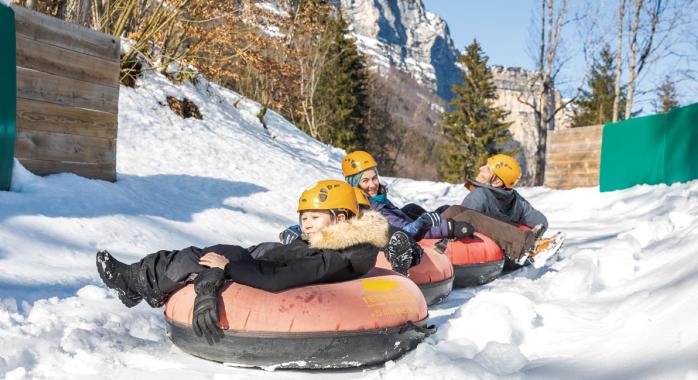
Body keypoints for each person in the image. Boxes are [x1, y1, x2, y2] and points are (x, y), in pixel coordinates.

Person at [96, 180, 416, 345]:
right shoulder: (338, 243)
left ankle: (136, 280)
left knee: (203, 256)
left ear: (342, 218)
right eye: (303, 219)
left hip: (263, 271)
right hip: (265, 258)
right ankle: (142, 286)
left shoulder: (332, 256)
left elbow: (279, 279)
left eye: (314, 218)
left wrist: (228, 267)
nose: (305, 225)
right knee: (219, 252)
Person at [279, 186, 423, 275]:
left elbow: (393, 233)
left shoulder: (373, 228)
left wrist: (402, 253)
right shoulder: (320, 228)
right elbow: (307, 230)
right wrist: (291, 234)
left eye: (362, 211)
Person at [439, 154, 552, 265]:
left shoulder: (479, 195)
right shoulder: (516, 200)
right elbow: (541, 222)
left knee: (467, 216)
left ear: (497, 182)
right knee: (453, 209)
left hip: (452, 239)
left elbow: (463, 226)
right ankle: (529, 242)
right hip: (433, 228)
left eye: (487, 169)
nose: (480, 168)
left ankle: (528, 245)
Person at [341, 151, 474, 241]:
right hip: (417, 239)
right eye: (365, 181)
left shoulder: (376, 199)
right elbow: (405, 231)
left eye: (374, 178)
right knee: (465, 215)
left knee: (411, 208)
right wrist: (449, 227)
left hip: (417, 230)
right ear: (354, 184)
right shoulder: (373, 209)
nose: (373, 184)